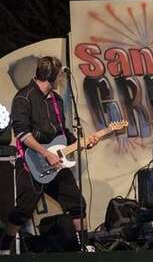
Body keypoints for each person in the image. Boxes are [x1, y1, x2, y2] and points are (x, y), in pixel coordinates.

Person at [2, 56, 98, 255]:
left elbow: (61, 132)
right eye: (59, 75)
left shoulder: (57, 100)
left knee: (76, 202)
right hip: (31, 162)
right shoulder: (24, 97)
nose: (61, 79)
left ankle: (84, 247)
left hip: (56, 163)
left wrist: (79, 143)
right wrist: (45, 153)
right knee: (22, 211)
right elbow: (21, 132)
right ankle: (4, 248)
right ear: (51, 76)